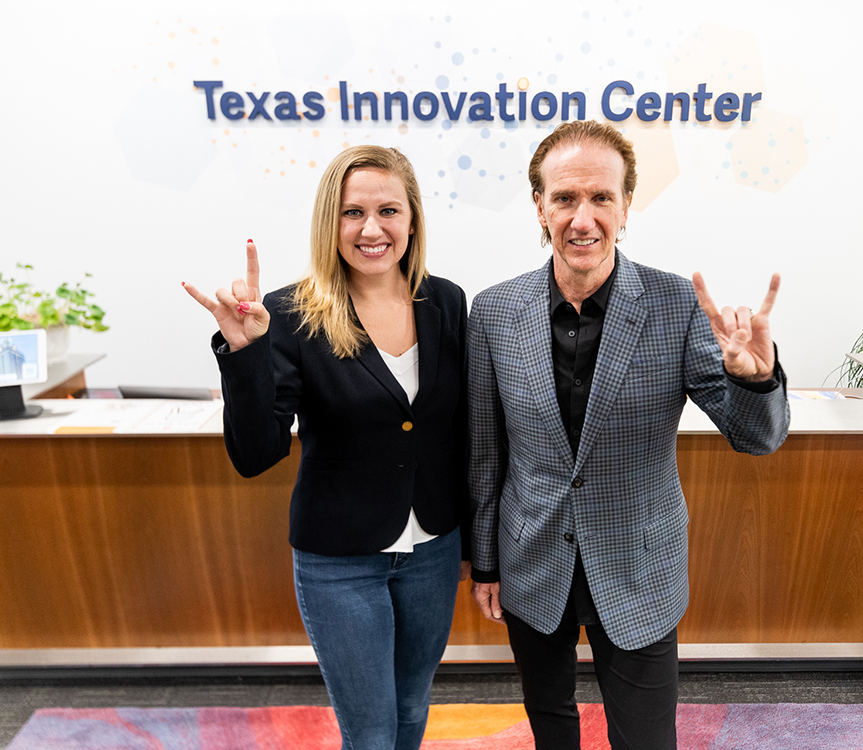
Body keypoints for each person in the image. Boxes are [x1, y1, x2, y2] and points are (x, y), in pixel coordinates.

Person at [467, 120, 789, 750]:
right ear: (539, 206)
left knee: (645, 738)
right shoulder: (495, 311)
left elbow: (755, 438)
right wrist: (485, 561)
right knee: (550, 724)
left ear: (626, 204)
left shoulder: (675, 305)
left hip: (639, 561)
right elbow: (485, 452)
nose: (582, 218)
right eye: (564, 199)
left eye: (600, 198)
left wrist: (754, 381)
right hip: (532, 556)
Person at [184, 145, 470, 750]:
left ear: (413, 219)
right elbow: (255, 453)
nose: (371, 229)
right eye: (352, 213)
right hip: (340, 562)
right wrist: (246, 354)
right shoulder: (289, 314)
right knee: (369, 732)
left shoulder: (445, 302)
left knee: (413, 709)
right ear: (329, 223)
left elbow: (459, 429)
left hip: (433, 550)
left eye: (389, 210)